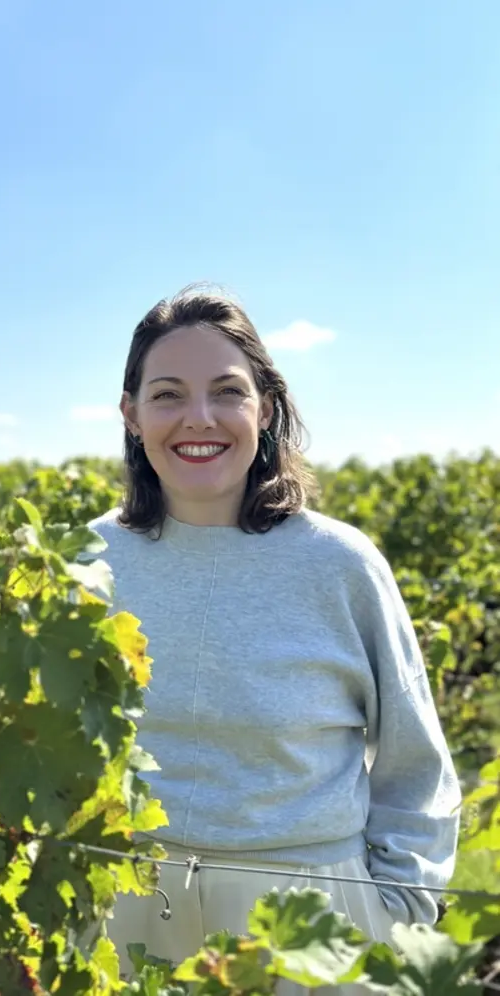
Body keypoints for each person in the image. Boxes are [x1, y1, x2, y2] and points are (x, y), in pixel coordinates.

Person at [86, 285, 462, 994]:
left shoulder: (339, 565)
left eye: (226, 391)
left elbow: (417, 766)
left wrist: (397, 915)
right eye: (167, 394)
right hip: (120, 909)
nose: (199, 419)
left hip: (311, 918)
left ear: (264, 406)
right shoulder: (86, 563)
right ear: (130, 414)